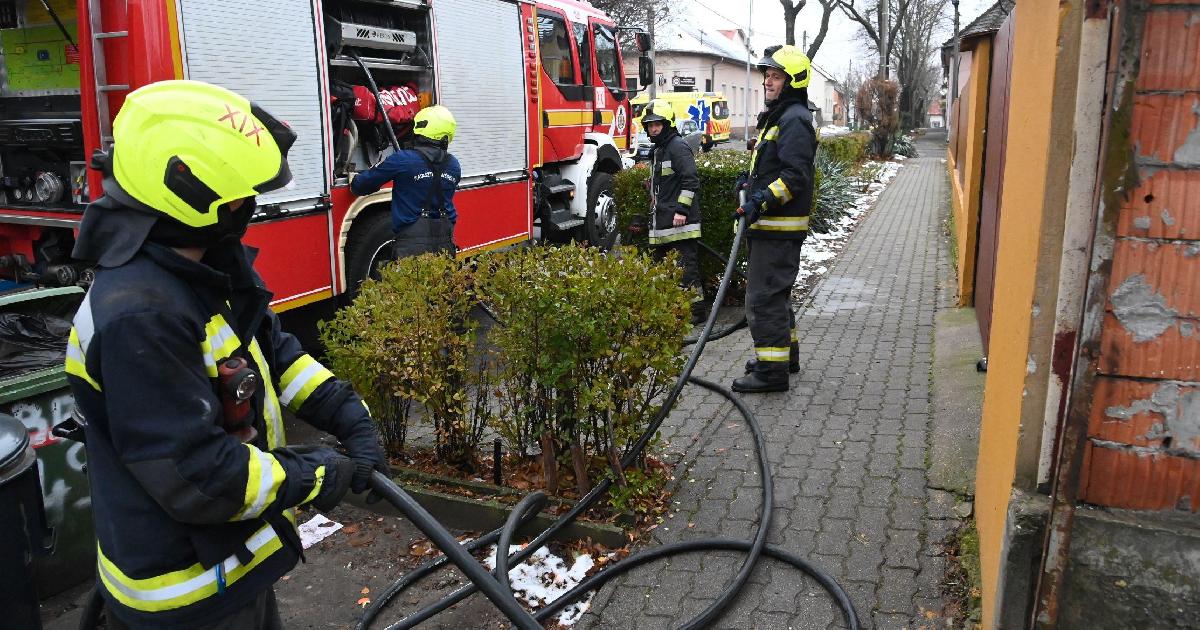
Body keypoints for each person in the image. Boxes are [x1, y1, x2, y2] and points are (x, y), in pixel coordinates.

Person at [66, 80, 388, 629]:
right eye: (240, 192)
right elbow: (197, 476)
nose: (251, 204)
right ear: (187, 191)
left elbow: (272, 354)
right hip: (185, 593)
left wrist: (346, 413)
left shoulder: (201, 263)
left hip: (232, 564)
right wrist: (312, 475)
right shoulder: (141, 315)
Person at [731, 45, 818, 393]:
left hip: (777, 229)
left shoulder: (794, 118)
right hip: (773, 229)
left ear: (793, 81)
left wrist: (760, 202)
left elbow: (796, 175)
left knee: (763, 298)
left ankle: (771, 372)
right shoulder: (783, 116)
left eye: (776, 76)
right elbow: (772, 165)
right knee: (776, 296)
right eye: (767, 75)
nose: (767, 81)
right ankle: (784, 357)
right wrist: (748, 181)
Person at [350, 105, 461, 258]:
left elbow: (361, 186)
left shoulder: (403, 159)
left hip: (411, 248)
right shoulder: (454, 165)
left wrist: (353, 178)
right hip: (445, 246)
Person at [641, 99, 706, 325]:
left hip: (680, 223)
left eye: (657, 124)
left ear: (667, 124)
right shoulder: (659, 150)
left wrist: (681, 211)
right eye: (650, 125)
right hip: (664, 224)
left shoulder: (677, 146)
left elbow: (691, 181)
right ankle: (672, 309)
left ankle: (697, 312)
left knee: (686, 270)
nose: (653, 129)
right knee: (664, 270)